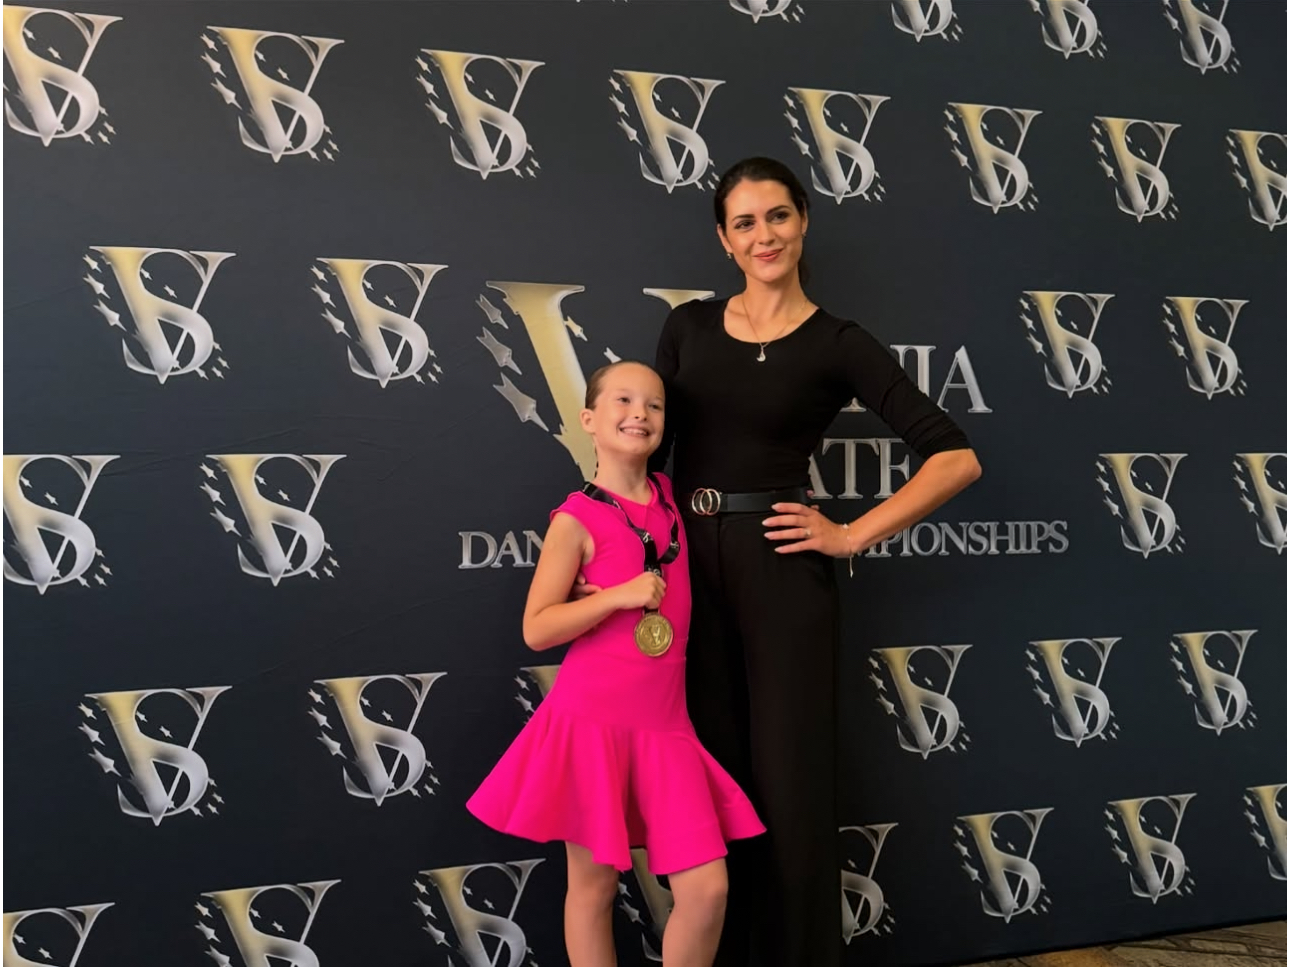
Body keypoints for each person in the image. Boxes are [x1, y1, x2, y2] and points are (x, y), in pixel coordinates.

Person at [651, 157, 982, 965]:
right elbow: (649, 458)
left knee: (792, 784)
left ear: (804, 220)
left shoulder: (838, 341)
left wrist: (850, 533)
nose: (763, 235)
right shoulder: (687, 328)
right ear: (724, 240)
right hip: (688, 571)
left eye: (777, 216)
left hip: (782, 571)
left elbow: (956, 457)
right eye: (744, 222)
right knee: (711, 780)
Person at [467, 360, 766, 968]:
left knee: (708, 889)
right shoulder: (575, 518)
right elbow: (537, 628)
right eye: (623, 401)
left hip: (666, 728)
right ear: (588, 419)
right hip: (592, 724)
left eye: (654, 405)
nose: (639, 414)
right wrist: (614, 597)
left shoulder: (671, 501)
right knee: (594, 887)